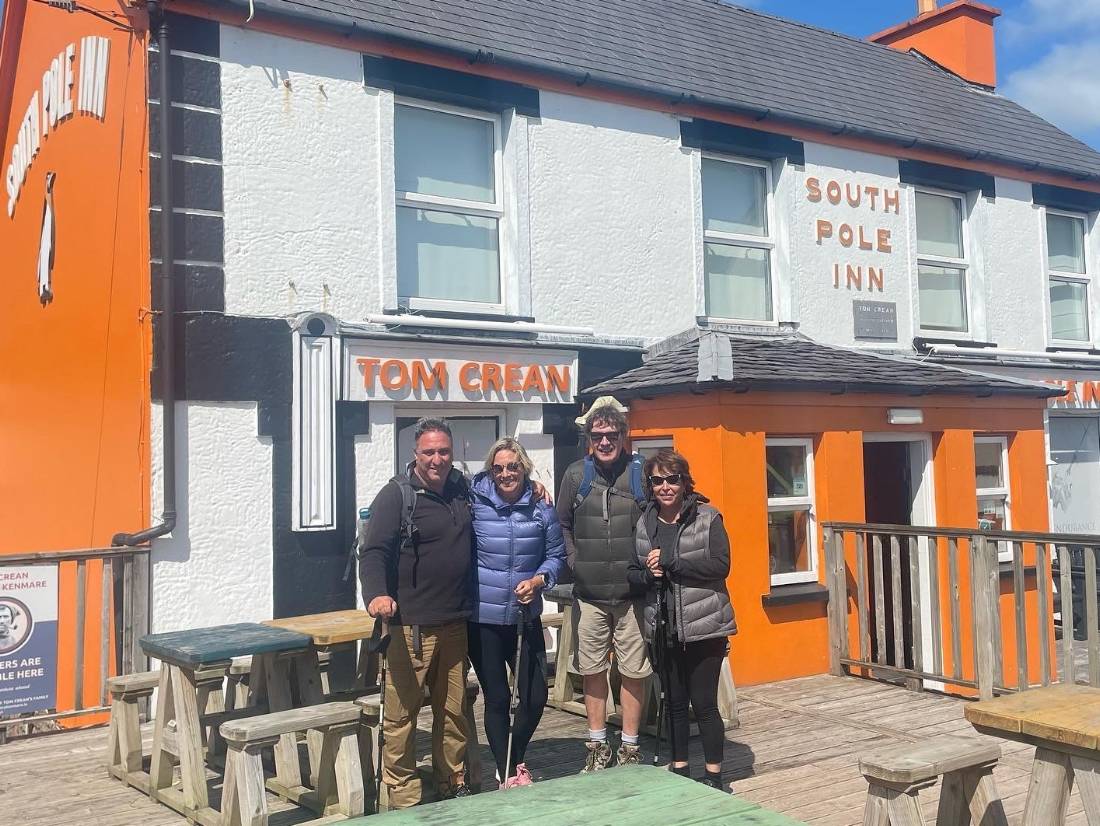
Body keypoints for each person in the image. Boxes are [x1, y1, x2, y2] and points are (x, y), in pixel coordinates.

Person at [359, 417, 473, 807]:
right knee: (402, 716)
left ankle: (451, 783)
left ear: (452, 453)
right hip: (411, 627)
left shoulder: (462, 489)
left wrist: (535, 486)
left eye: (443, 451)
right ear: (415, 454)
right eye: (429, 452)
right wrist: (375, 594)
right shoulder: (396, 496)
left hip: (456, 622)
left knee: (454, 711)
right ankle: (403, 795)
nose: (437, 459)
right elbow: (374, 552)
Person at [627, 448, 736, 790]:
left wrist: (674, 562)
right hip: (663, 626)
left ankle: (715, 776)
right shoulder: (644, 521)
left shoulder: (707, 517)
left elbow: (721, 565)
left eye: (672, 479)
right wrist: (648, 574)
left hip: (705, 626)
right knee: (673, 703)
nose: (665, 487)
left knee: (704, 705)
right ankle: (681, 769)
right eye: (657, 481)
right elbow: (632, 573)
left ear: (684, 481)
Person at [557, 398, 652, 772]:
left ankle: (629, 748)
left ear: (624, 437)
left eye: (612, 435)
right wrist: (572, 561)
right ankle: (597, 746)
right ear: (588, 440)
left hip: (632, 594)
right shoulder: (575, 476)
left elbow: (658, 521)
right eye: (598, 436)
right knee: (592, 669)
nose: (606, 442)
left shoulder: (640, 473)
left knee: (634, 670)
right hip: (590, 595)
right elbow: (561, 523)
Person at [468, 437, 566, 788]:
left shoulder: (541, 507)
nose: (506, 473)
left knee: (536, 696)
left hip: (525, 616)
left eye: (513, 466)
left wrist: (540, 580)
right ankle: (508, 772)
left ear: (524, 468)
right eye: (498, 468)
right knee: (496, 697)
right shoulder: (474, 501)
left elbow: (557, 556)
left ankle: (513, 755)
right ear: (490, 471)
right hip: (483, 619)